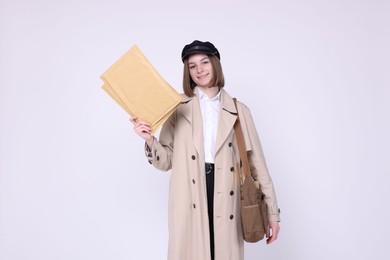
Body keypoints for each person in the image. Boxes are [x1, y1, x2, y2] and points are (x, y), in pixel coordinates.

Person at [130, 40, 280, 260]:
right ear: (187, 72)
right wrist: (150, 141)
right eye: (192, 66)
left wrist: (273, 215)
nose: (199, 70)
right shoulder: (177, 107)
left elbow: (258, 165)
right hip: (189, 191)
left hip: (226, 191)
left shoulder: (240, 110)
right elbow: (166, 161)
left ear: (215, 64)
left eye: (204, 62)